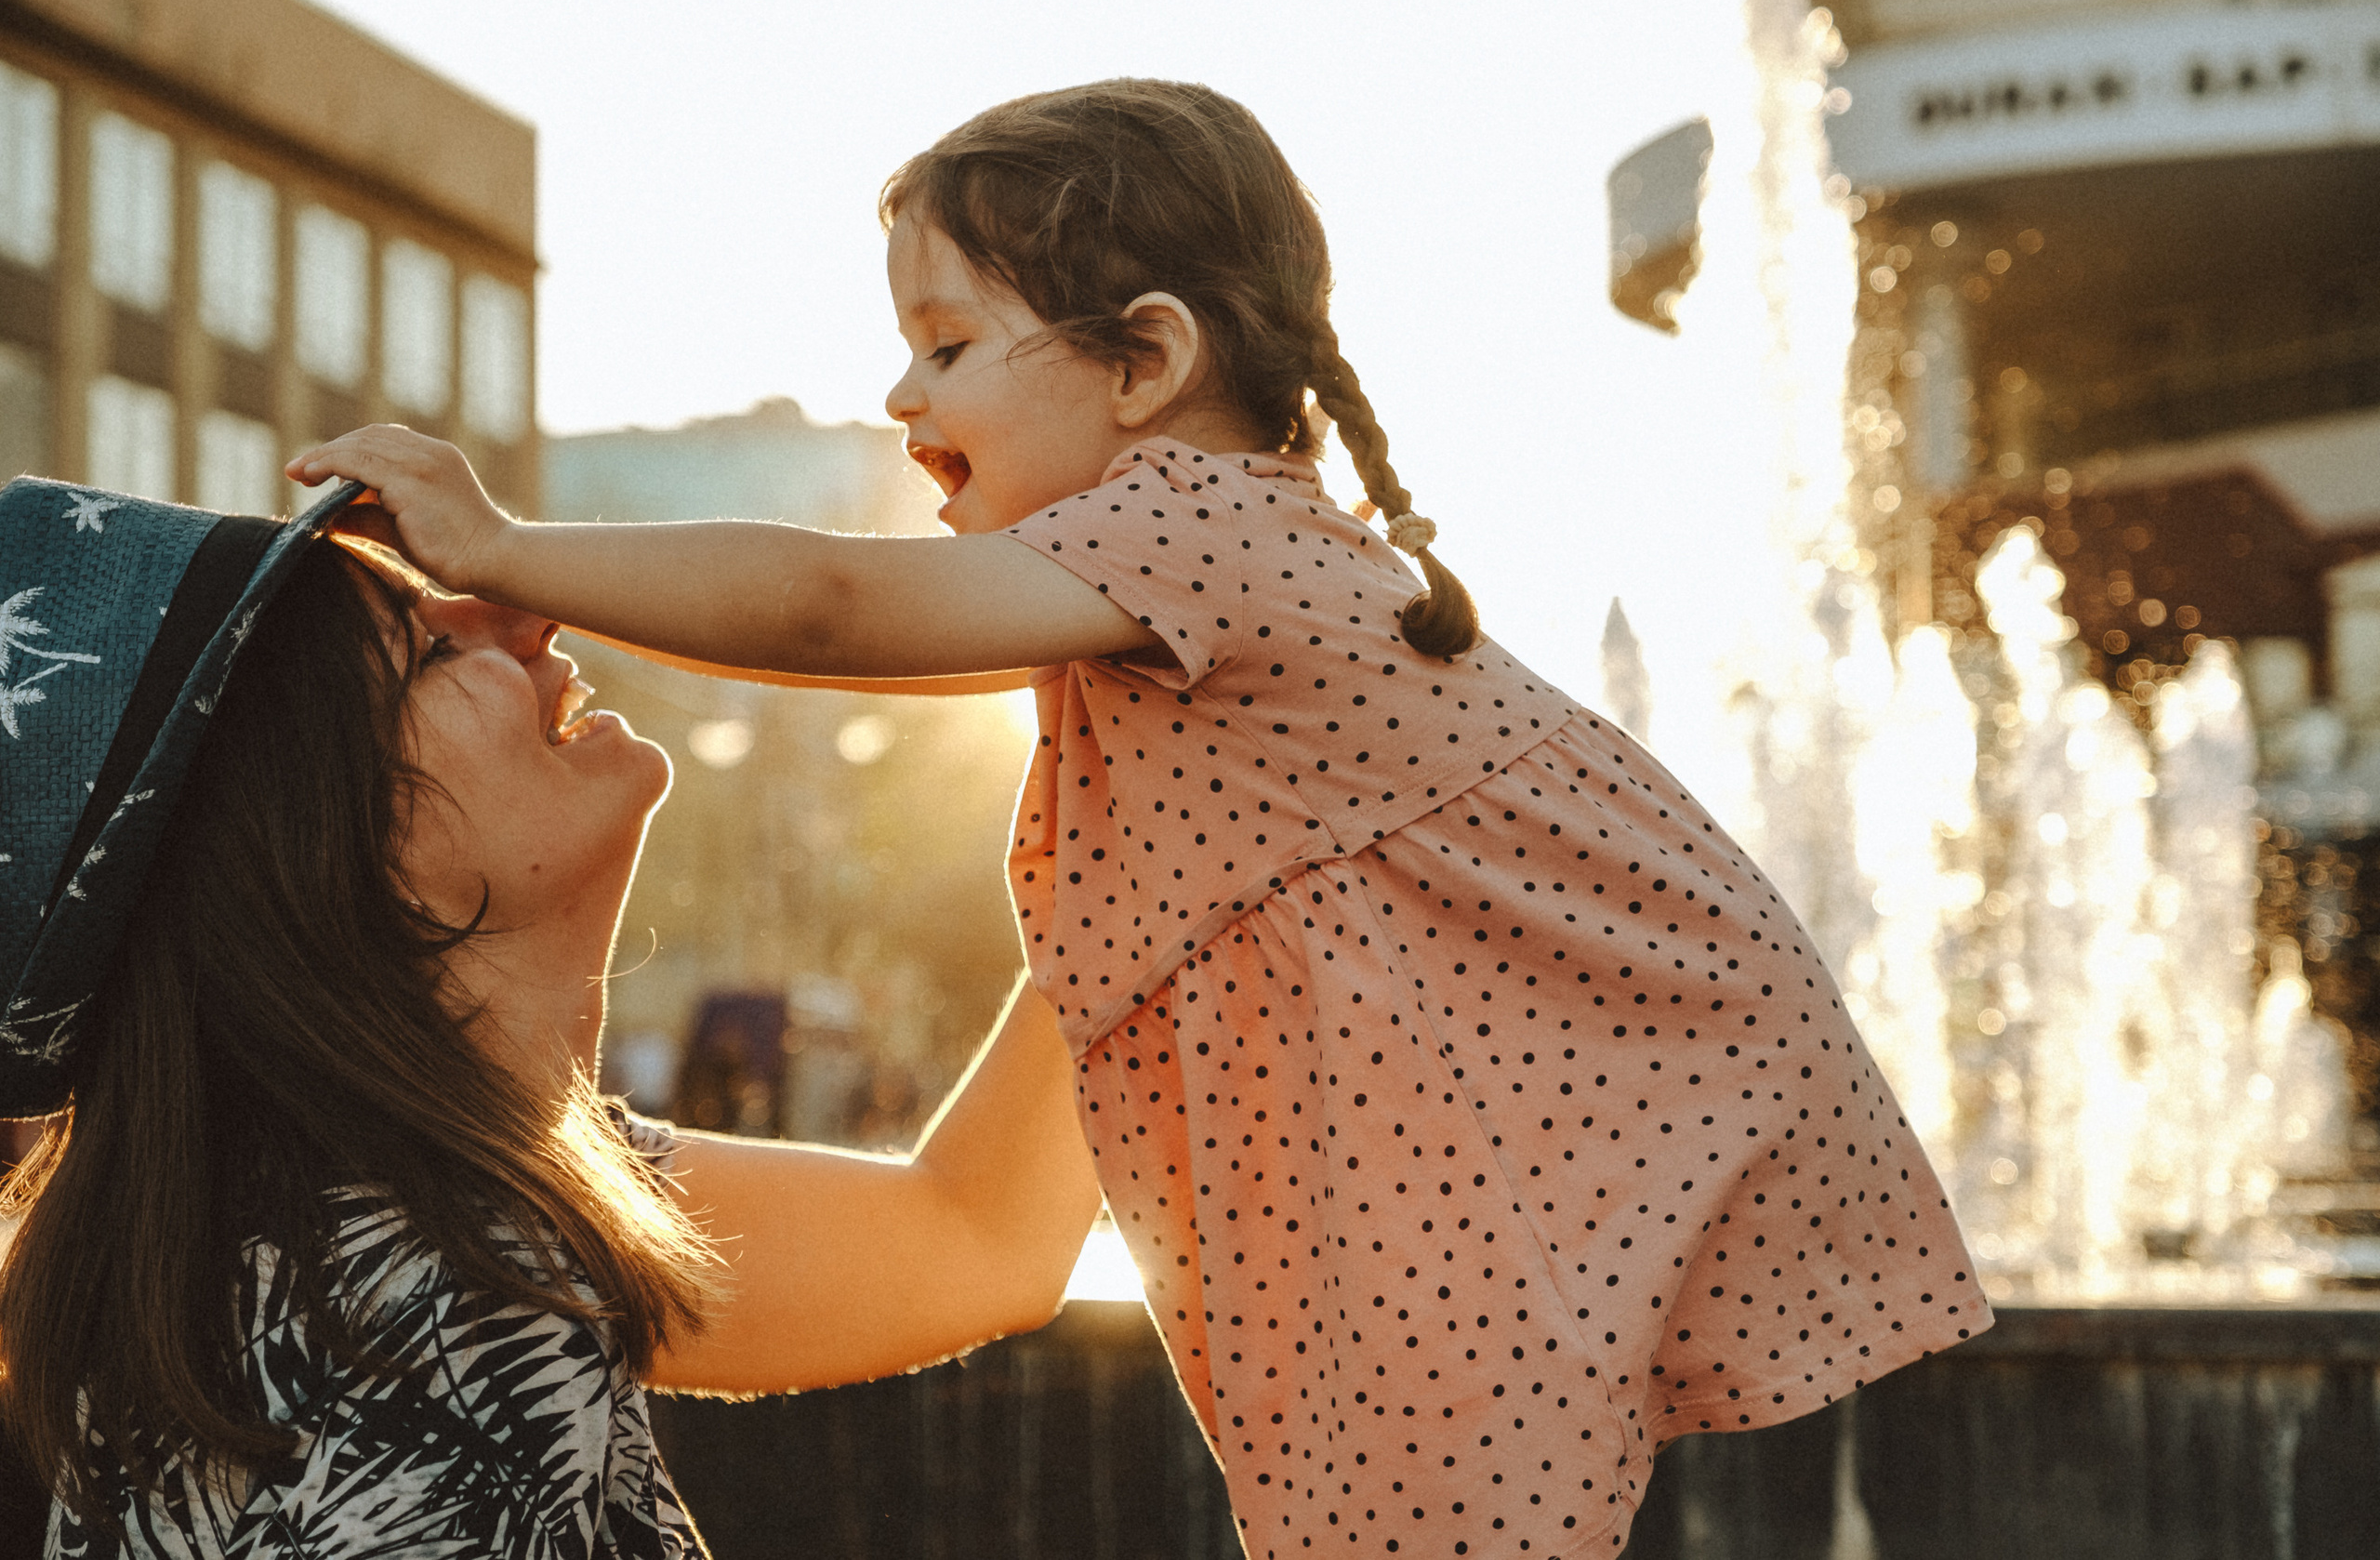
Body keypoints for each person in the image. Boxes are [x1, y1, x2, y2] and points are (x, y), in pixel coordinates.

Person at [289, 78, 1990, 1557]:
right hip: (1437, 1151)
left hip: (1467, 1153)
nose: (902, 399)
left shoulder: (1205, 531)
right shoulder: (1204, 593)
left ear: (1149, 360)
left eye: (947, 346)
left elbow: (820, 604)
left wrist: (504, 542)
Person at [0, 479, 1101, 1557]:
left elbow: (977, 1236)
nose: (521, 614)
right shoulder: (416, 1307)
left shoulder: (413, 1207)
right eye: (428, 650)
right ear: (326, 850)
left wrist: (1166, 781)